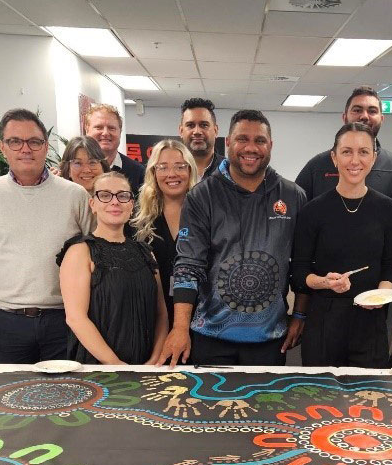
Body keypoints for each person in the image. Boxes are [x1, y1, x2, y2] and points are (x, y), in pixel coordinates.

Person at [160, 109, 307, 366]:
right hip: (210, 335)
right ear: (228, 142)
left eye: (260, 140)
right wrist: (180, 328)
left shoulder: (292, 195)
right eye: (242, 139)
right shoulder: (202, 195)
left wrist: (300, 315)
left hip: (269, 337)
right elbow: (187, 266)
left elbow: (303, 262)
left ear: (270, 145)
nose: (251, 148)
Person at [0, 108, 93, 364]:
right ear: (2, 147)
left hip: (64, 320)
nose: (26, 149)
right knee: (13, 390)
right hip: (8, 322)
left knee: (66, 388)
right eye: (15, 141)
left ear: (45, 146)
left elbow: (95, 253)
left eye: (34, 141)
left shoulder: (75, 195)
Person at [291, 122, 392, 368]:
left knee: (368, 391)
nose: (355, 160)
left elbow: (390, 267)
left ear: (374, 158)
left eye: (363, 152)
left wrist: (381, 295)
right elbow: (298, 272)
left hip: (370, 322)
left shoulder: (388, 209)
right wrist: (324, 282)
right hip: (323, 321)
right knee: (321, 391)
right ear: (334, 157)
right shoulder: (313, 210)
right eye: (347, 151)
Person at [58, 171, 167, 365]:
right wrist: (116, 365)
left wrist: (154, 360)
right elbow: (76, 318)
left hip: (146, 367)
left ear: (131, 204)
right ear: (93, 204)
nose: (115, 202)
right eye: (105, 195)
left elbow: (161, 314)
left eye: (122, 196)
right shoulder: (80, 251)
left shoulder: (146, 252)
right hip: (99, 368)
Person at [295, 86, 392, 210]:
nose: (364, 116)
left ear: (382, 119)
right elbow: (296, 209)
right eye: (357, 110)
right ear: (344, 117)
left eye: (372, 111)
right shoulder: (317, 165)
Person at [131, 138, 198, 323]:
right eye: (163, 167)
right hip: (151, 314)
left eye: (180, 166)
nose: (172, 174)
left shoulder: (206, 215)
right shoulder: (137, 218)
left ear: (190, 170)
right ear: (153, 172)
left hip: (198, 313)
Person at [84, 103, 145, 193]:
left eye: (111, 128)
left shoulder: (138, 172)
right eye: (99, 127)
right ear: (87, 130)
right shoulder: (74, 171)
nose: (105, 133)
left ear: (120, 132)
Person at [179, 98, 223, 178]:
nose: (197, 131)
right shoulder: (170, 172)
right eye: (190, 125)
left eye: (204, 125)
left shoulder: (230, 171)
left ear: (215, 130)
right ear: (181, 131)